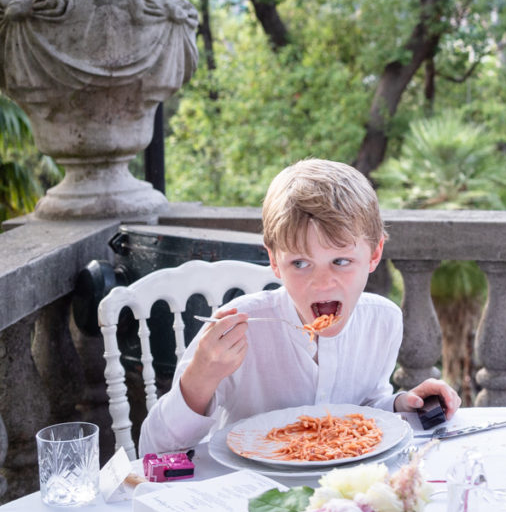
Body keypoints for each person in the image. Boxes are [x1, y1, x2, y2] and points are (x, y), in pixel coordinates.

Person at [140, 158, 460, 454]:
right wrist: (200, 379)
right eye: (300, 263)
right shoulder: (237, 329)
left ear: (374, 255)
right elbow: (152, 450)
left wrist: (401, 404)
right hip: (249, 492)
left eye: (340, 261)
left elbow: (363, 406)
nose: (322, 283)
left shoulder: (383, 322)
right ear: (274, 262)